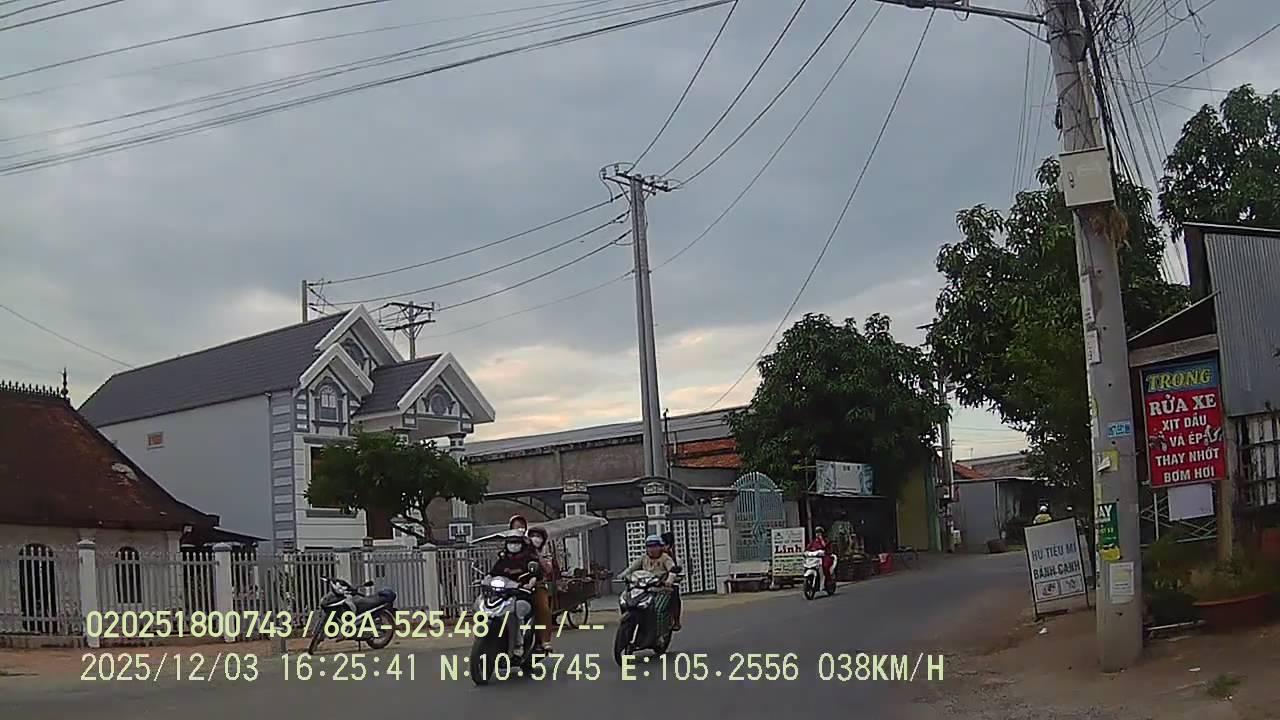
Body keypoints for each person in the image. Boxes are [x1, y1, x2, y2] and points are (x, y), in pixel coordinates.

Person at [621, 535, 681, 631]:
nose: (652, 549)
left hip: (660, 589)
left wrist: (669, 580)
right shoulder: (643, 558)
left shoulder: (665, 558)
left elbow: (672, 570)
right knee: (626, 598)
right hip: (644, 588)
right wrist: (623, 576)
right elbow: (632, 568)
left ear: (660, 547)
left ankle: (666, 628)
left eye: (655, 546)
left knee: (660, 608)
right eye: (649, 546)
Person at [526, 526, 556, 651]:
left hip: (538, 584)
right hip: (518, 584)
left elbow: (548, 569)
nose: (535, 539)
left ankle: (545, 640)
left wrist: (538, 557)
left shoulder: (544, 553)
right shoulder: (522, 550)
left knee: (543, 609)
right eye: (533, 536)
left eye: (538, 537)